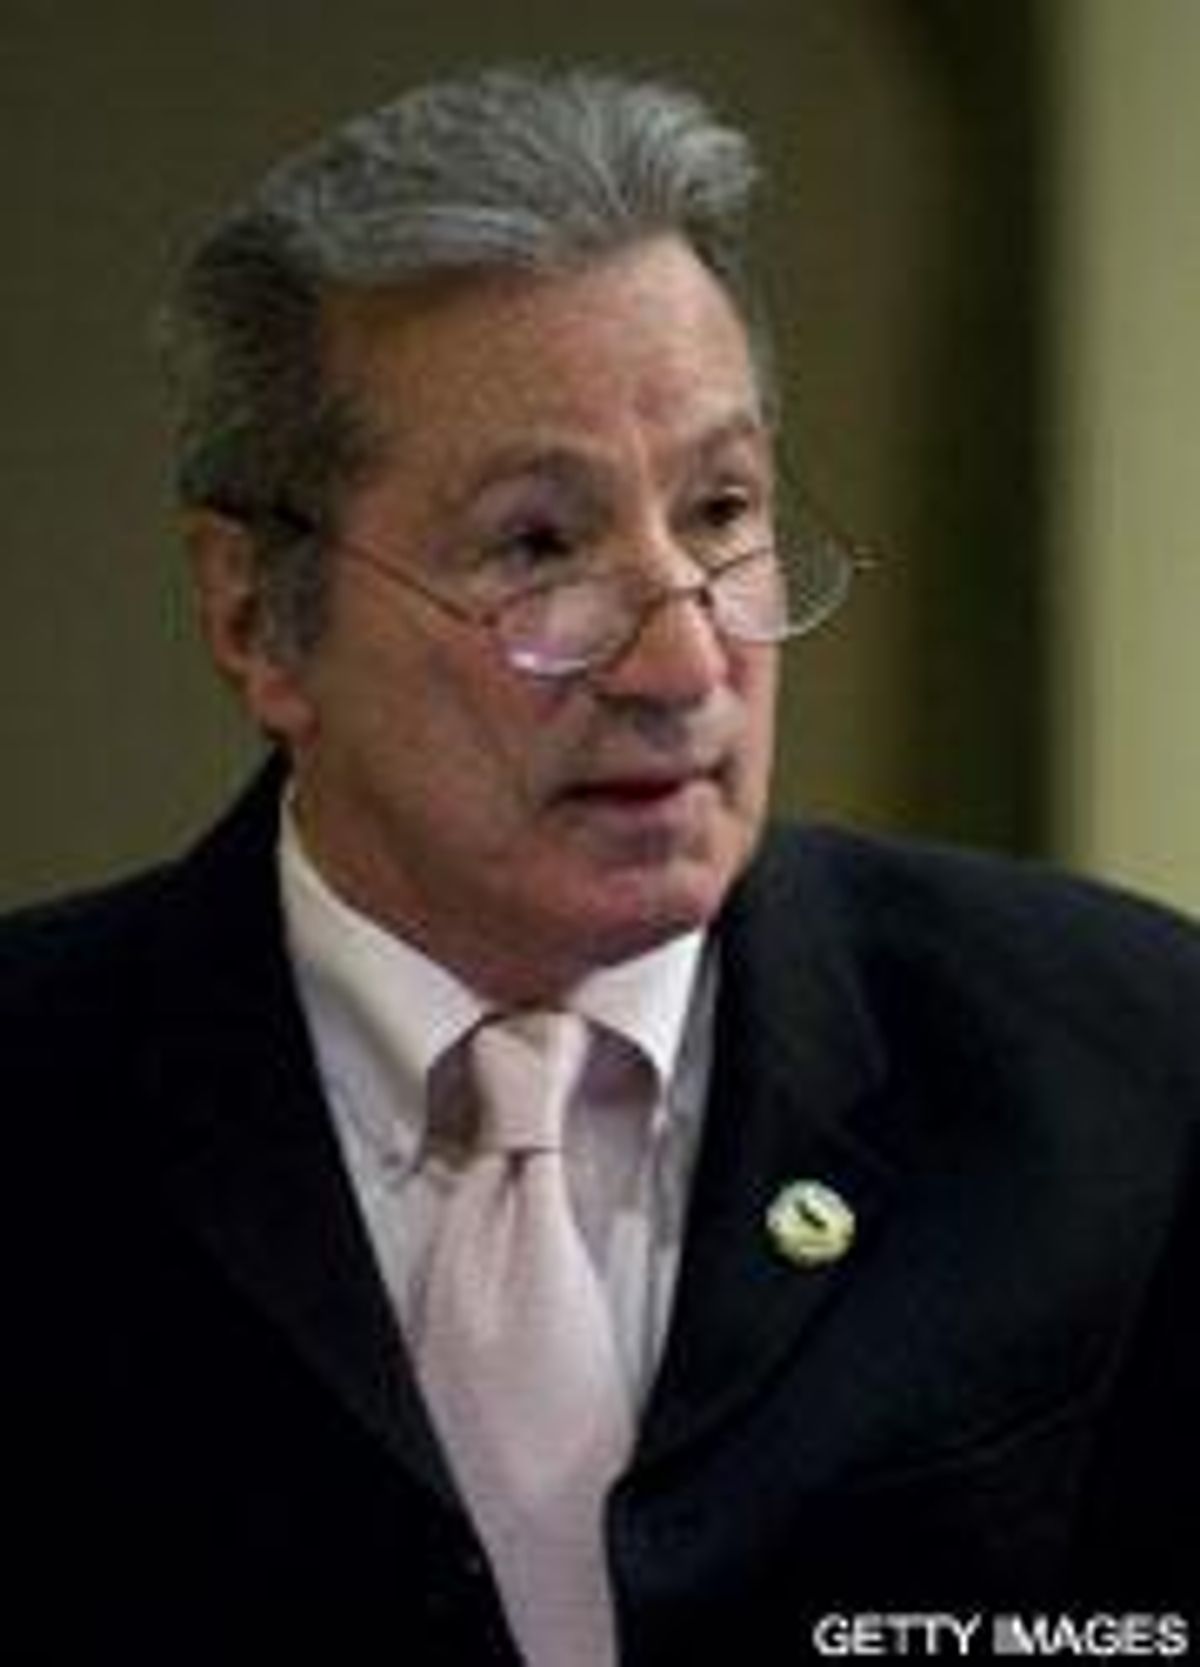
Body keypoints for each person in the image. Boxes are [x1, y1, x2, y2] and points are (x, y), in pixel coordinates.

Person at [6, 65, 1199, 1665]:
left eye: (721, 510)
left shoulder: (1121, 1059)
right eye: (536, 545)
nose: (686, 660)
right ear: (254, 616)